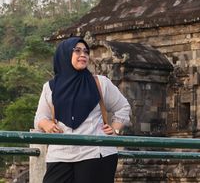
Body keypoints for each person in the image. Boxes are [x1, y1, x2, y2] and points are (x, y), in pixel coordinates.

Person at [34, 37, 131, 183]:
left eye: (86, 51)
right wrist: (46, 124)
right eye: (77, 51)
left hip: (96, 153)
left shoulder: (100, 83)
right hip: (60, 153)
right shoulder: (50, 88)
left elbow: (123, 107)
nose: (83, 55)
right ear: (65, 55)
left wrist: (115, 129)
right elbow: (40, 117)